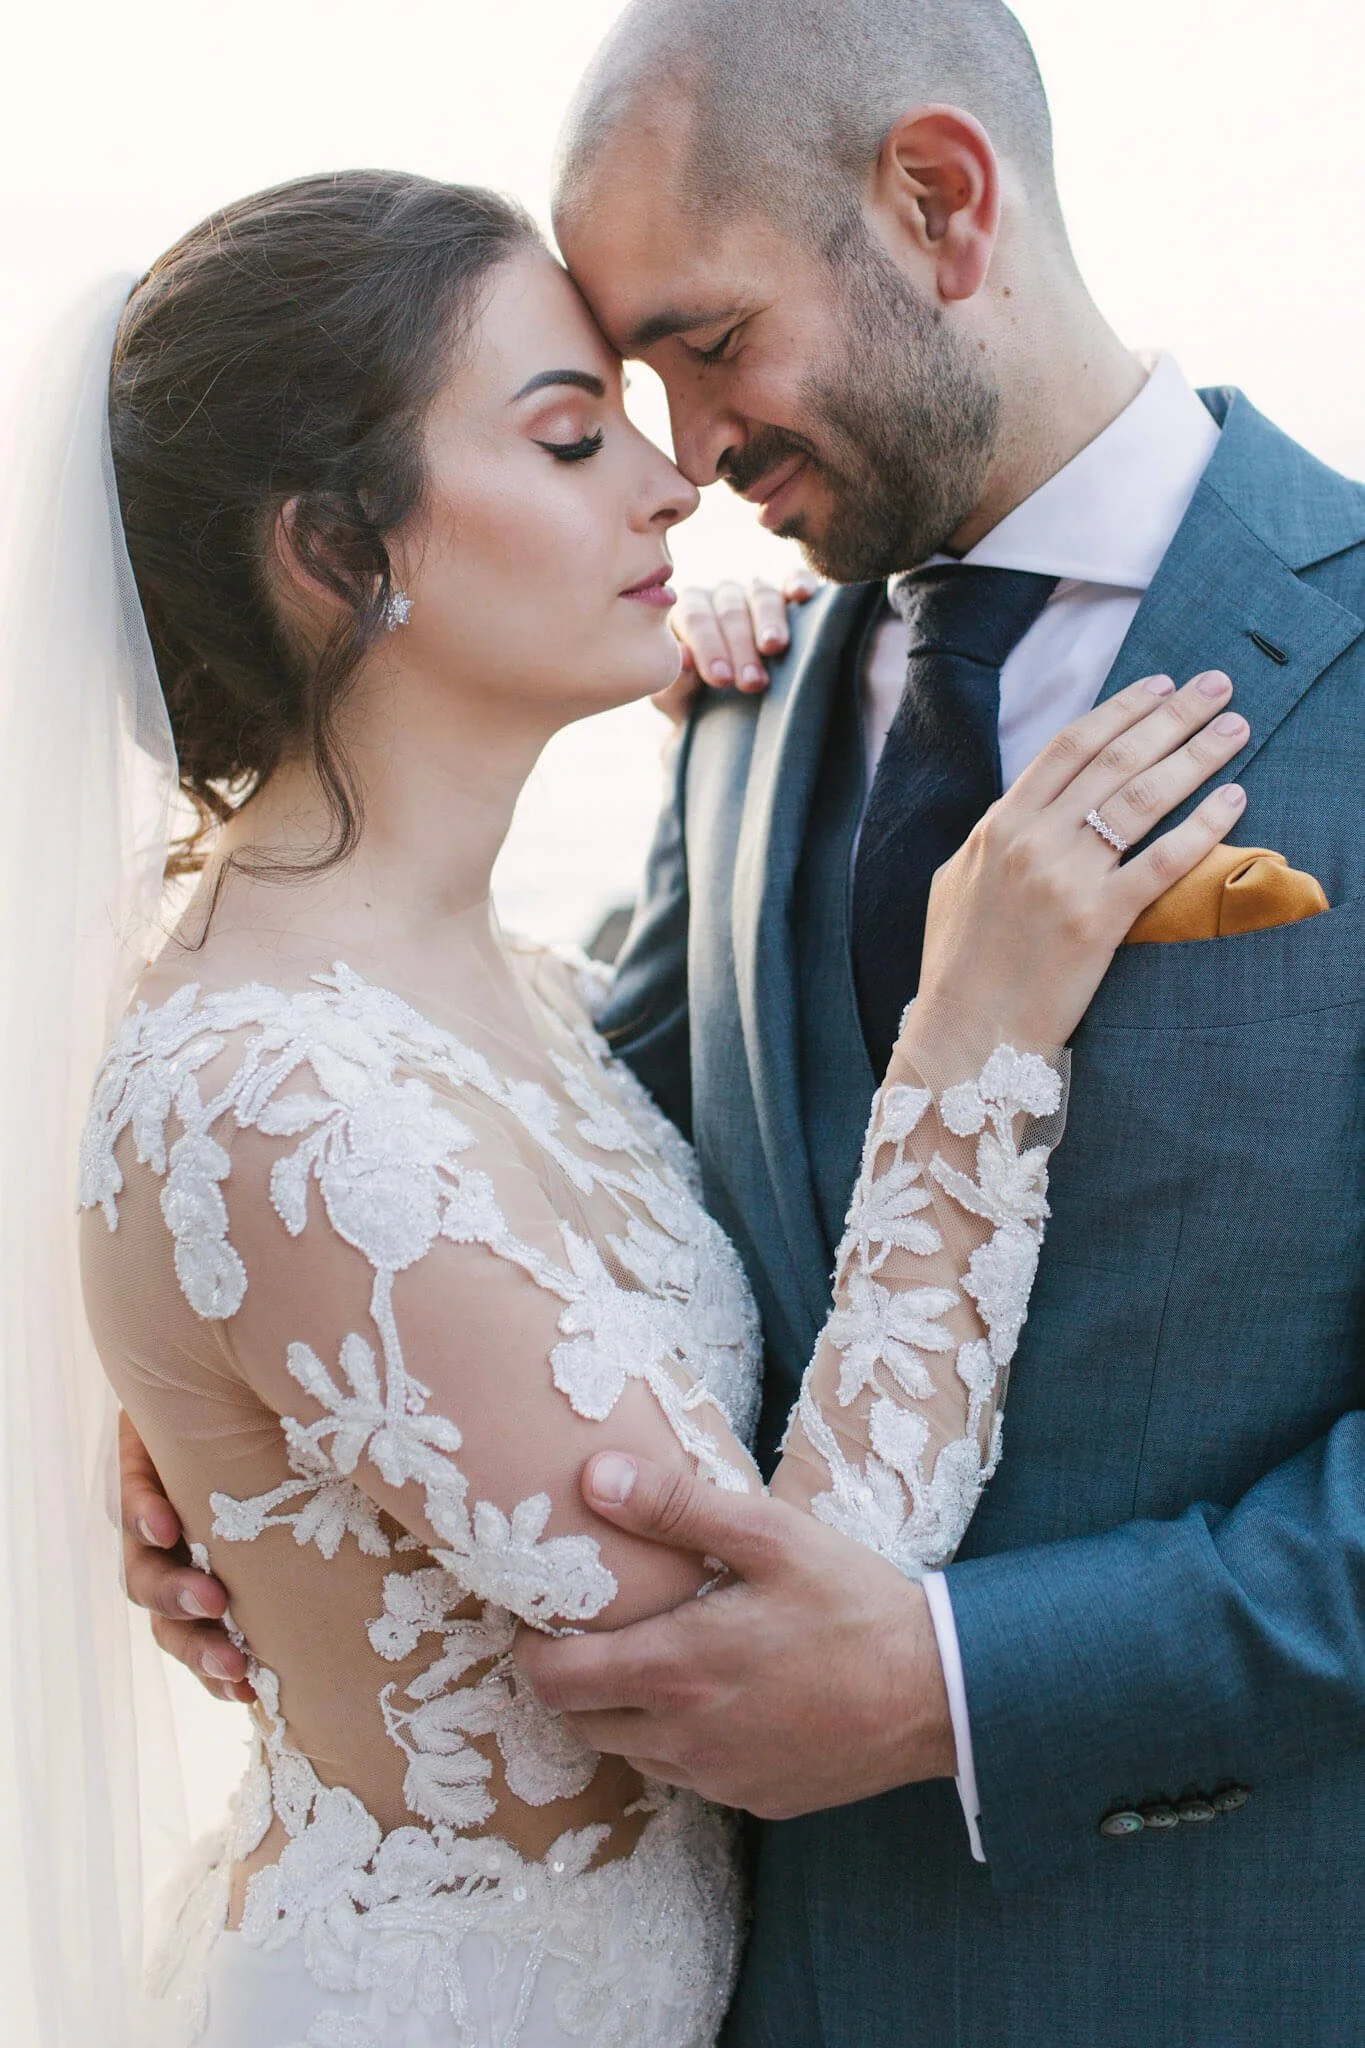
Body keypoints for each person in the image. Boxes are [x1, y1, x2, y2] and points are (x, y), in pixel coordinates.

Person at [70, 164, 1249, 2048]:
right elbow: (756, 1643)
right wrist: (973, 1042)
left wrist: (271, 1435)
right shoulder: (267, 1094)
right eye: (568, 436)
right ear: (336, 551)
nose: (670, 478)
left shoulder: (500, 988)